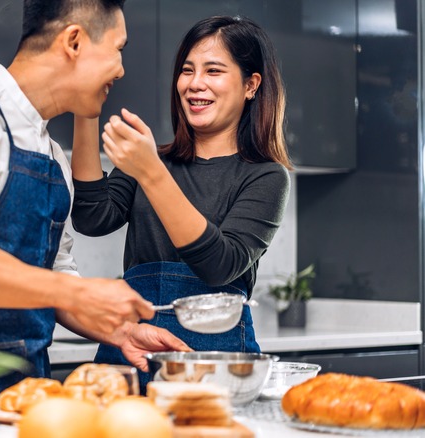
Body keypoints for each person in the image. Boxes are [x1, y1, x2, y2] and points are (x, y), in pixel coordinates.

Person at [0, 0, 189, 407]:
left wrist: (118, 330)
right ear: (74, 41)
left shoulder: (52, 154)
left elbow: (55, 271)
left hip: (28, 398)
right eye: (118, 48)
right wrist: (79, 296)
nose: (122, 69)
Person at [70, 15, 292, 389]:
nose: (195, 84)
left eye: (214, 70)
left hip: (214, 363)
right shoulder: (152, 159)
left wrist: (151, 172)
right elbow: (93, 217)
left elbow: (219, 265)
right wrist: (85, 110)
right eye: (187, 70)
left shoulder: (266, 177)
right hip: (131, 348)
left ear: (251, 85)